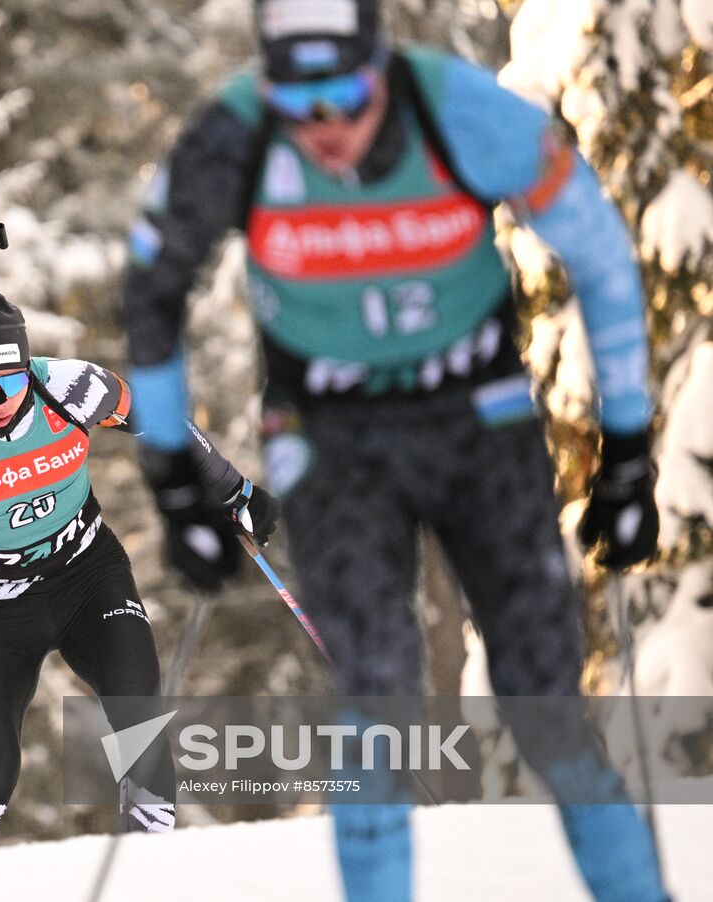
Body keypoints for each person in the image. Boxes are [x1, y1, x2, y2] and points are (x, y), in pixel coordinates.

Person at [120, 1, 665, 900]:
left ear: (382, 66)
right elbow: (152, 291)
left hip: (476, 422)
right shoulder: (235, 130)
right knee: (375, 701)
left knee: (547, 713)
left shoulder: (461, 108)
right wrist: (175, 479)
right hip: (332, 440)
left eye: (349, 100)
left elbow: (601, 253)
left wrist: (632, 444)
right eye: (304, 105)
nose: (328, 129)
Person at [0, 290, 277, 851]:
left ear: (29, 366)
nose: (1, 399)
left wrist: (233, 491)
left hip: (89, 575)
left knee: (143, 735)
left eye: (12, 379)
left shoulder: (73, 387)